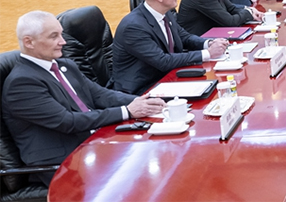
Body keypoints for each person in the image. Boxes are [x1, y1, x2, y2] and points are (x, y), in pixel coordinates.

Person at [2, 11, 165, 184]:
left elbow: (100, 95)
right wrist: (127, 111)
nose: (62, 42)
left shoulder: (65, 65)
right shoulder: (21, 83)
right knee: (140, 177)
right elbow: (67, 122)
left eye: (61, 34)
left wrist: (144, 101)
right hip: (63, 162)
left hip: (94, 143)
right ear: (29, 42)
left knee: (156, 155)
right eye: (53, 36)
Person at [112, 0, 229, 95]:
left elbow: (184, 37)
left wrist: (209, 43)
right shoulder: (133, 27)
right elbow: (163, 61)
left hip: (168, 77)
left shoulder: (164, 13)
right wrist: (208, 53)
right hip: (142, 90)